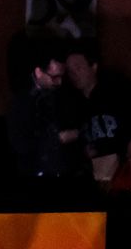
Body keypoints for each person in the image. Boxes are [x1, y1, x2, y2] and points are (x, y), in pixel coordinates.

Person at [65, 46, 131, 180]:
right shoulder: (74, 107)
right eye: (70, 71)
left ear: (94, 66)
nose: (74, 74)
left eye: (78, 67)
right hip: (98, 176)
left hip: (128, 172)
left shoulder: (120, 92)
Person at [7, 48, 84, 179]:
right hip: (35, 173)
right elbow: (20, 143)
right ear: (38, 72)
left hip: (63, 169)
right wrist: (57, 139)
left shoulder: (62, 93)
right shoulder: (22, 101)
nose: (59, 82)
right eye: (54, 77)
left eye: (62, 76)